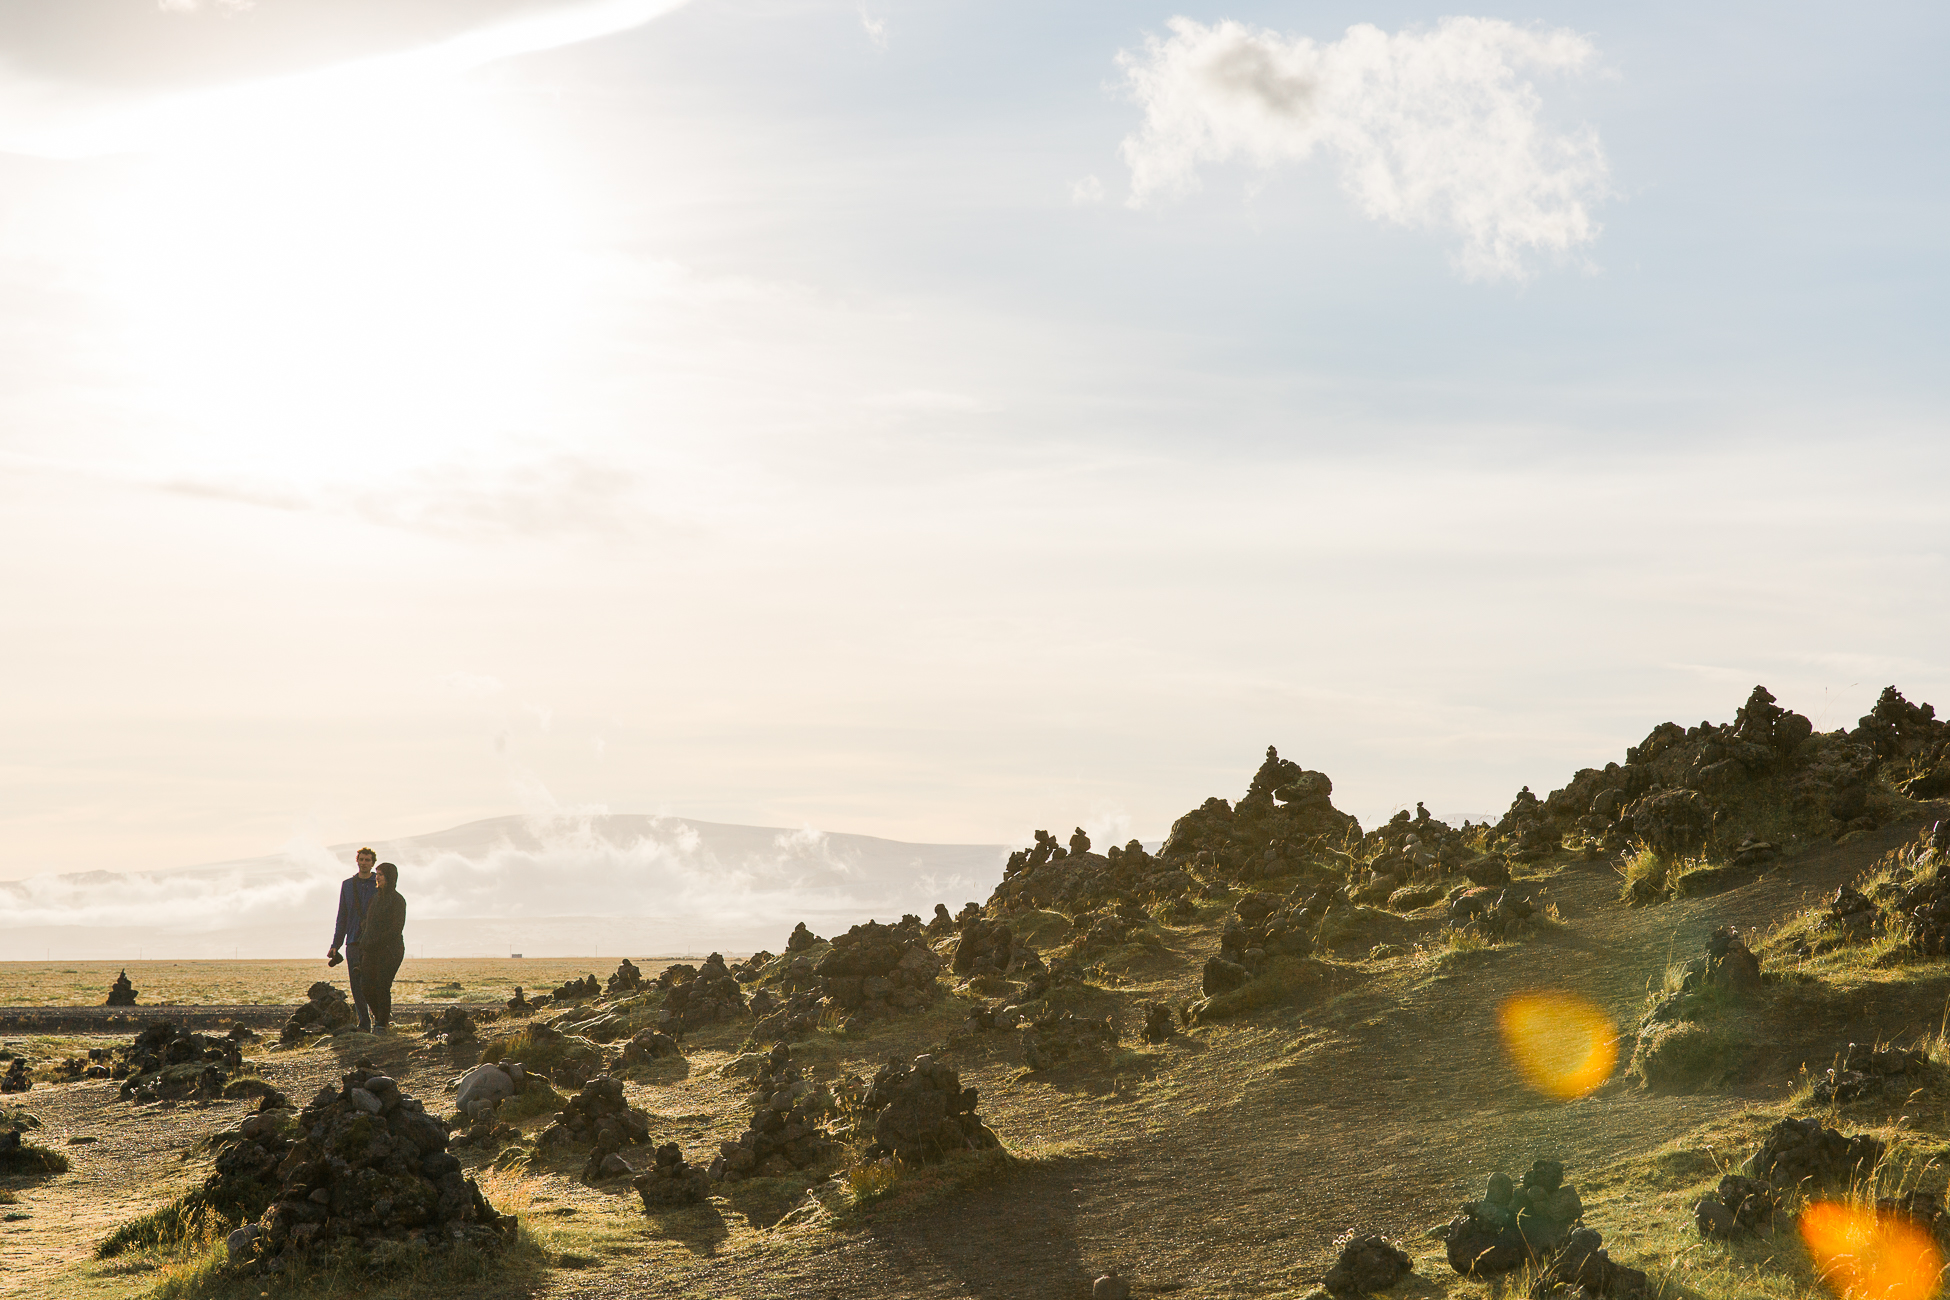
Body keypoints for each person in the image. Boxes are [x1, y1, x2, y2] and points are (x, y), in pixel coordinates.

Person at [327, 847, 379, 1033]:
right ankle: (364, 1023)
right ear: (357, 861)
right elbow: (342, 916)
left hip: (374, 942)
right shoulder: (347, 885)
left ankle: (380, 1020)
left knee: (373, 982)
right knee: (356, 984)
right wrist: (336, 945)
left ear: (373, 863)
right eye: (362, 859)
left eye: (368, 860)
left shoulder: (379, 884)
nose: (364, 863)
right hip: (354, 940)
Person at [360, 862, 408, 1032]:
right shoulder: (374, 899)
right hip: (371, 950)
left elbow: (396, 928)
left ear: (390, 877)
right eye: (377, 874)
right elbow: (369, 923)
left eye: (380, 874)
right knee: (366, 985)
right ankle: (381, 1017)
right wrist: (364, 939)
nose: (377, 877)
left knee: (382, 985)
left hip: (390, 951)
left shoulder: (397, 900)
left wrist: (375, 941)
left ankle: (382, 1024)